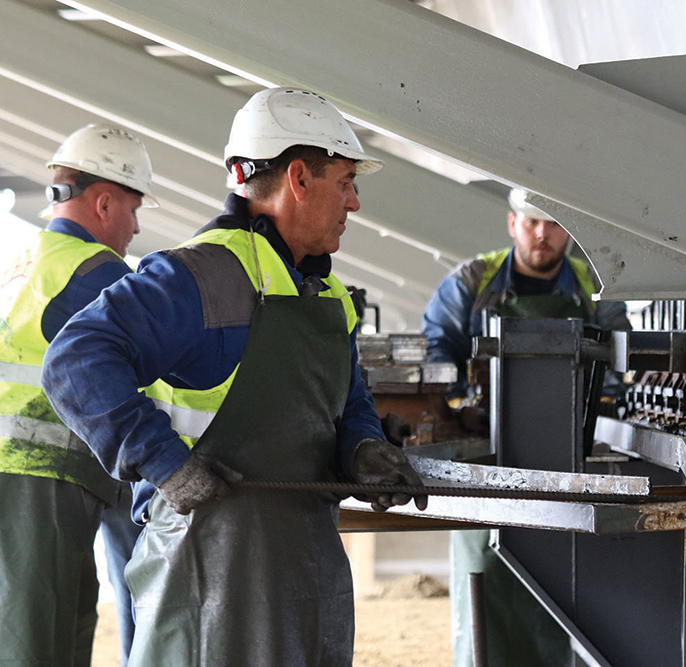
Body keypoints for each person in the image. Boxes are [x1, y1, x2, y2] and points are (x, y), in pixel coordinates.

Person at [41, 87, 427, 666]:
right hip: (203, 576)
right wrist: (162, 460)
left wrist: (364, 448)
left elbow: (349, 405)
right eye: (345, 182)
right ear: (298, 177)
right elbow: (74, 359)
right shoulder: (196, 276)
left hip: (306, 573)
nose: (353, 203)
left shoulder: (327, 296)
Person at [422, 188, 631, 667]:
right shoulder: (473, 282)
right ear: (513, 223)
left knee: (569, 591)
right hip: (486, 468)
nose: (543, 234)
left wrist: (602, 409)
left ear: (569, 232)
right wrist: (462, 403)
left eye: (554, 224)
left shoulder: (594, 289)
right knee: (487, 581)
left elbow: (619, 364)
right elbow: (437, 348)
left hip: (571, 471)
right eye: (533, 222)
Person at [0, 124, 157, 665]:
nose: (137, 227)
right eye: (135, 209)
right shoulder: (96, 274)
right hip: (38, 471)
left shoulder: (27, 260)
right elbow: (157, 374)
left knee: (37, 618)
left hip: (20, 471)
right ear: (105, 201)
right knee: (42, 630)